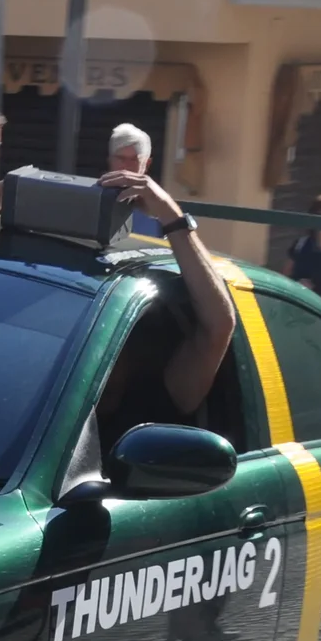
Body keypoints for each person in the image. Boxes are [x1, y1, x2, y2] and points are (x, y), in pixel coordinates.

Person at [93, 169, 238, 448]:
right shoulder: (39, 397)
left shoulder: (156, 397)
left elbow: (218, 326)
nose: (98, 357)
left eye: (105, 341)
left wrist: (171, 216)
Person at [107, 123, 162, 237]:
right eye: (121, 158)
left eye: (134, 160)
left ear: (147, 164)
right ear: (110, 160)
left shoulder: (157, 210)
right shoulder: (93, 200)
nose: (126, 166)